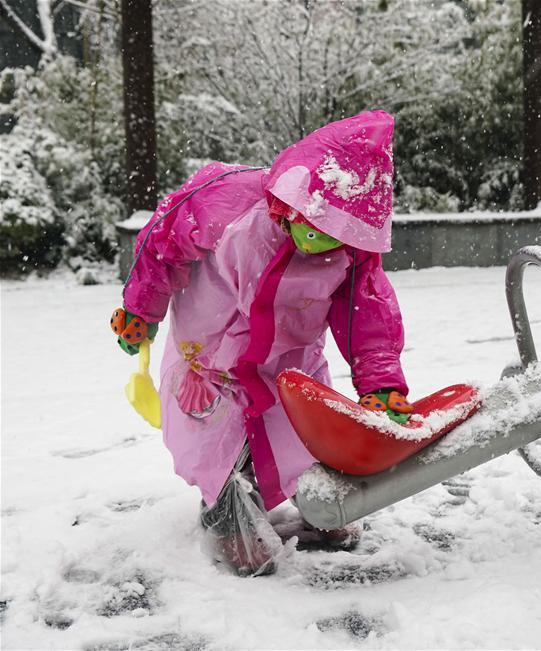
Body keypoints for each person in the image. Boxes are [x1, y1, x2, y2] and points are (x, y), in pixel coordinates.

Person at [110, 111, 413, 575]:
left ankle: (321, 504)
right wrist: (140, 309)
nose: (318, 244)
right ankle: (228, 520)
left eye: (335, 236)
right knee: (222, 435)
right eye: (311, 227)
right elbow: (163, 242)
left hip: (291, 349)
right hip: (215, 343)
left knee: (304, 427)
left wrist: (380, 383)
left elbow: (368, 318)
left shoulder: (355, 255)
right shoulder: (229, 201)